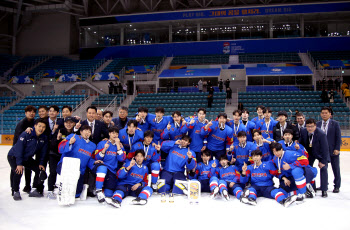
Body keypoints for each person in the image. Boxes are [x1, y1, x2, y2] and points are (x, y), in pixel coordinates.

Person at [8, 118, 48, 200]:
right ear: (35, 126)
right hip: (14, 156)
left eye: (43, 127)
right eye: (39, 126)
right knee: (18, 171)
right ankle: (16, 191)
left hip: (27, 158)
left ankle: (34, 190)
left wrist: (41, 163)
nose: (41, 128)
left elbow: (43, 152)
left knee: (40, 171)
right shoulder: (26, 134)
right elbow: (19, 150)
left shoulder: (43, 138)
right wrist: (19, 164)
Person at [57, 125, 100, 198]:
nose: (87, 133)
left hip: (80, 170)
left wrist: (94, 162)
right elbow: (60, 148)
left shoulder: (93, 145)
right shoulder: (73, 137)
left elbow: (89, 159)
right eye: (85, 130)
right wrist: (69, 143)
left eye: (89, 131)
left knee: (77, 193)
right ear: (80, 132)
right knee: (67, 185)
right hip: (66, 166)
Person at [93, 127, 126, 202]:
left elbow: (121, 159)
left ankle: (102, 187)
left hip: (112, 170)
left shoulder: (120, 146)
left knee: (108, 194)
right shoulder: (102, 143)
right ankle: (98, 190)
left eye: (116, 133)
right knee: (103, 168)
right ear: (109, 133)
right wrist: (104, 149)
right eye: (113, 133)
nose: (115, 135)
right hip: (101, 167)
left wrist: (118, 145)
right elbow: (97, 157)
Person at [47, 116, 77, 199]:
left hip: (66, 157)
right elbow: (52, 145)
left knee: (66, 174)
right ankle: (50, 190)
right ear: (64, 123)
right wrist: (57, 139)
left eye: (71, 122)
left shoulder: (76, 133)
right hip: (54, 155)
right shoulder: (59, 131)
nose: (69, 124)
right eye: (67, 123)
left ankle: (66, 189)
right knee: (53, 172)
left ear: (74, 123)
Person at [299, 118, 329, 197]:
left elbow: (325, 148)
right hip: (309, 154)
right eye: (308, 126)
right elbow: (301, 143)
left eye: (311, 126)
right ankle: (313, 187)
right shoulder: (303, 131)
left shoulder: (321, 134)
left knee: (324, 168)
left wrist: (323, 161)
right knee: (308, 169)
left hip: (320, 153)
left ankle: (324, 189)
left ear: (315, 126)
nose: (310, 128)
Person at [317, 107, 341, 193]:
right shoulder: (318, 124)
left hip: (333, 150)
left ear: (330, 114)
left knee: (336, 168)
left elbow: (338, 137)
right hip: (322, 151)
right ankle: (324, 185)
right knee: (323, 168)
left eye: (326, 113)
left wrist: (337, 148)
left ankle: (337, 185)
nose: (324, 114)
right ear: (320, 114)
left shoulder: (335, 124)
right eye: (322, 113)